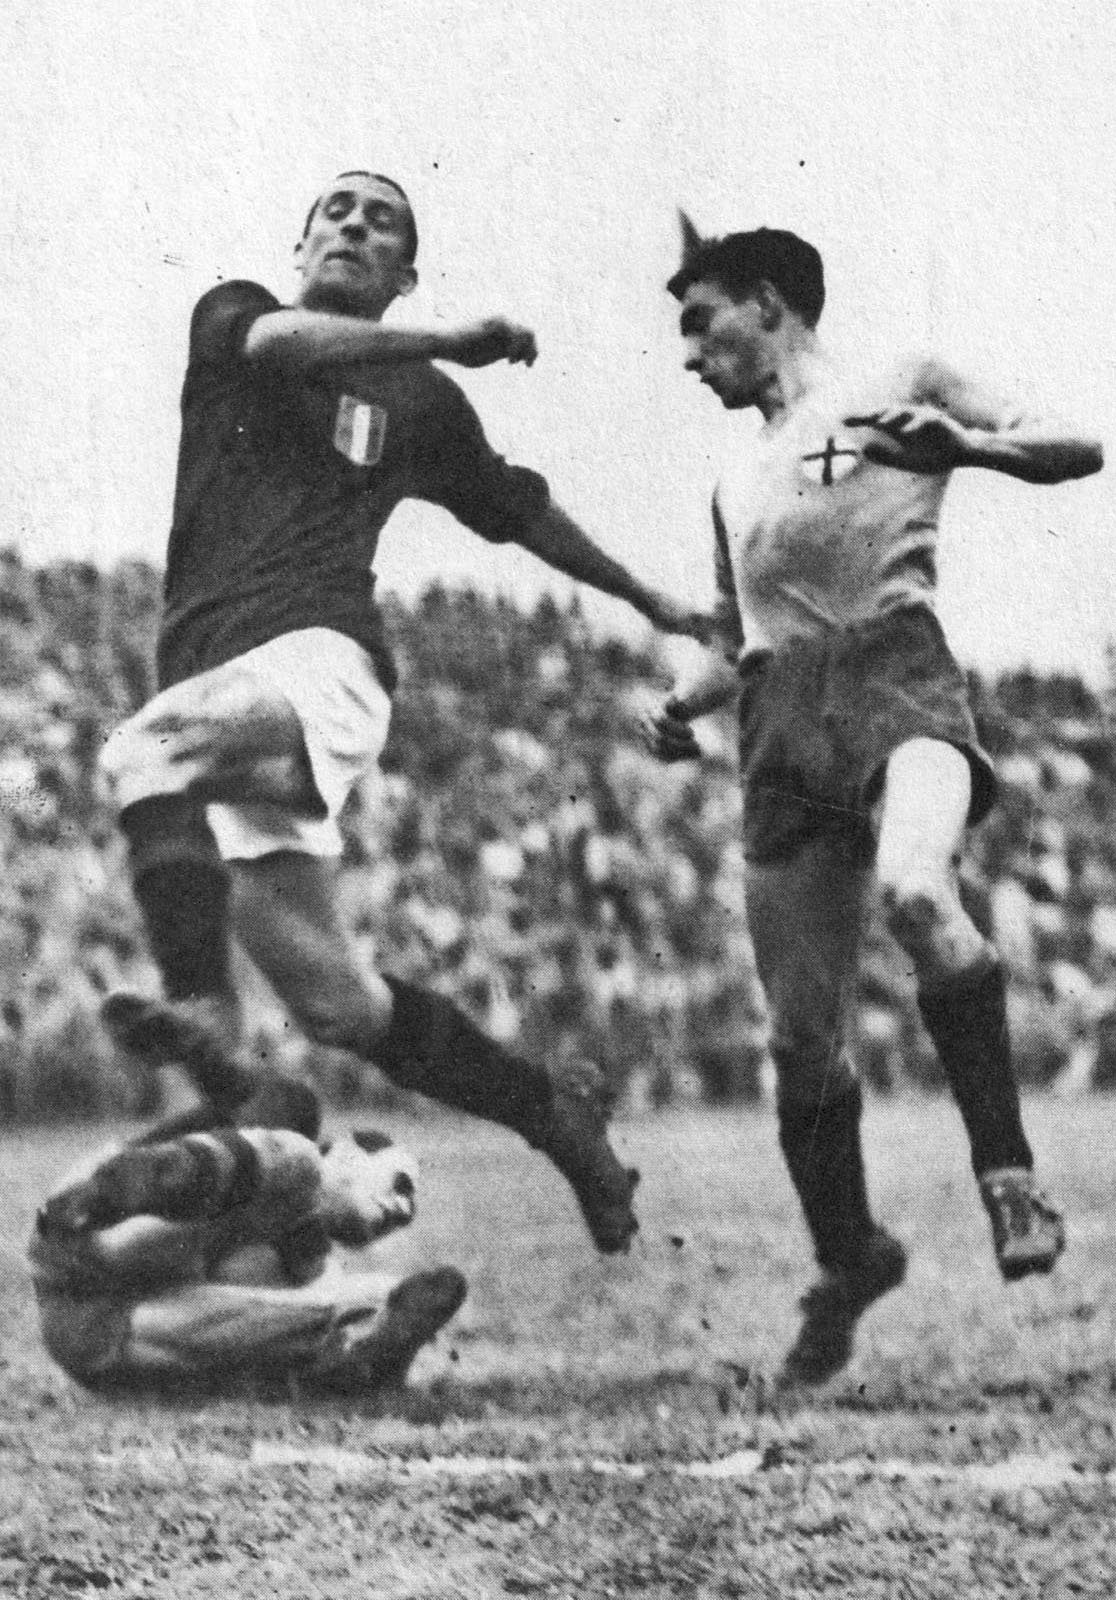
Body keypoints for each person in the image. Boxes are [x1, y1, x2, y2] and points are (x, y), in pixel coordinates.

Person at [99, 172, 710, 1257]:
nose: (354, 225)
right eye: (336, 210)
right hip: (218, 687)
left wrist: (653, 599)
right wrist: (453, 335)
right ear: (300, 241)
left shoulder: (424, 402)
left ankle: (198, 1005)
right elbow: (281, 346)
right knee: (337, 1005)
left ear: (405, 270)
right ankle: (549, 1112)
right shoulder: (236, 320)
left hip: (320, 660)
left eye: (382, 220)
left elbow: (515, 509)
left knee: (142, 755)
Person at [641, 217, 1103, 1384]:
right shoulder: (732, 476)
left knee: (913, 888)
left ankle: (1011, 1184)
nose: (691, 357)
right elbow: (732, 634)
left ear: (770, 301)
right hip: (780, 724)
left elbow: (1077, 442)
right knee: (801, 1041)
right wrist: (684, 702)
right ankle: (850, 1257)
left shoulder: (902, 382)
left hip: (899, 674)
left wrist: (970, 448)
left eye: (702, 324)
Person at [29, 1099, 467, 1393]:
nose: (402, 1209)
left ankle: (348, 1365)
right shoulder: (302, 1168)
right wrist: (115, 1191)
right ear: (351, 1157)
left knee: (321, 1295)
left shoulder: (305, 1253)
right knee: (356, 1289)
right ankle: (352, 1354)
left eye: (408, 1211)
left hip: (98, 1340)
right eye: (400, 1185)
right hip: (91, 1239)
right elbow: (210, 1163)